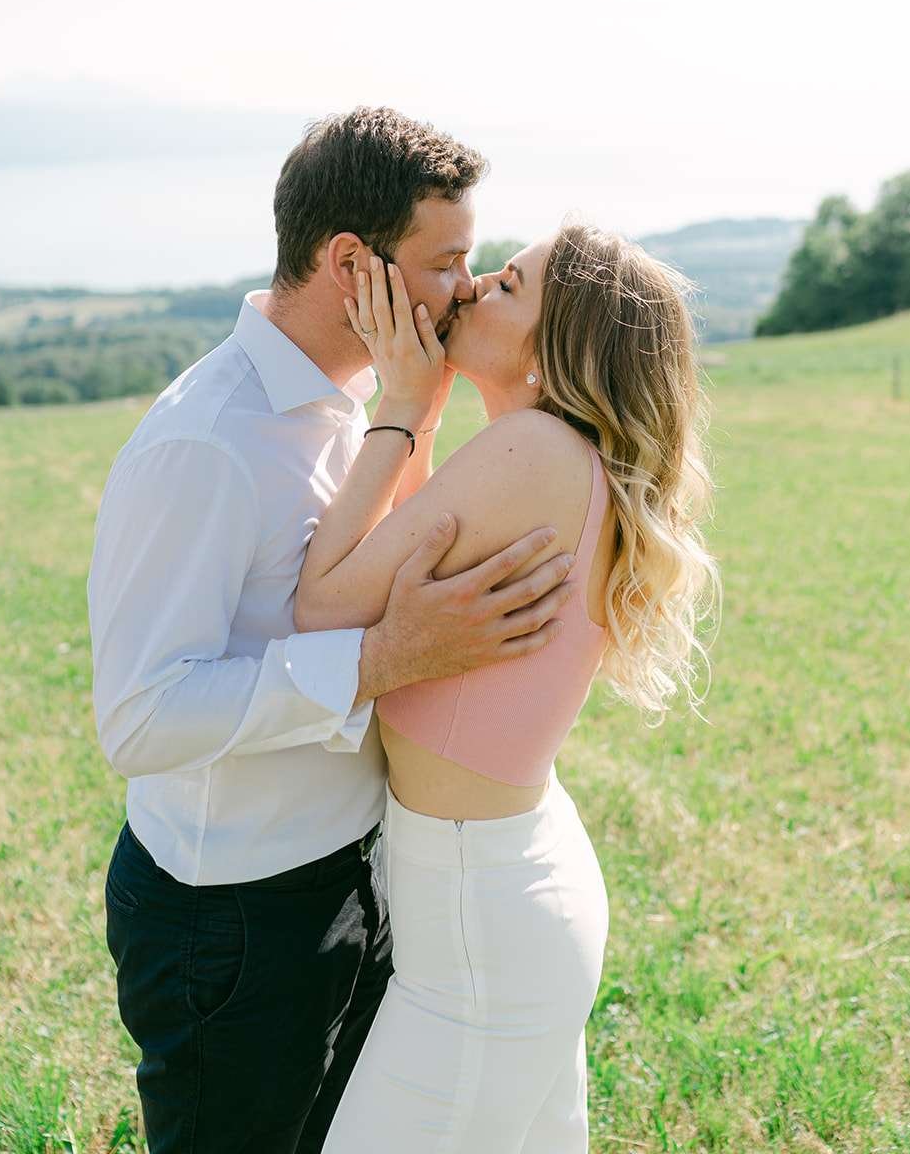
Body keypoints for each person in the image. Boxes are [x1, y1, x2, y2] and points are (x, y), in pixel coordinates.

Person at [88, 106, 576, 1154]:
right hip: (232, 925)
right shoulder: (205, 443)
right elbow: (140, 716)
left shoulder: (368, 408)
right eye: (445, 261)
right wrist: (381, 660)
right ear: (350, 260)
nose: (462, 288)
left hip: (359, 877)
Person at [293, 221, 722, 1152]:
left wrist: (401, 404)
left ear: (557, 344)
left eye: (507, 286)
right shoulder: (550, 457)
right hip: (495, 895)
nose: (473, 287)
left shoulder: (532, 451)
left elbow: (324, 607)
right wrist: (425, 405)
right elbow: (390, 573)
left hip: (478, 927)